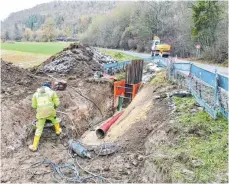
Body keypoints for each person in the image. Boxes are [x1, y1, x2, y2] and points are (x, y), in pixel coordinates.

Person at [29, 82, 61, 151]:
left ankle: (34, 146)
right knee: (54, 119)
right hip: (50, 112)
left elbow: (34, 106)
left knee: (39, 128)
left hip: (41, 114)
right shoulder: (52, 92)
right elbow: (57, 103)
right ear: (49, 88)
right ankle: (58, 131)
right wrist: (54, 106)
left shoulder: (35, 94)